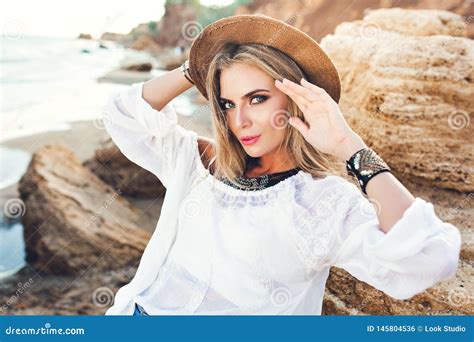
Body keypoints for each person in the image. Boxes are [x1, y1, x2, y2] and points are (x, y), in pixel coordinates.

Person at [102, 14, 461, 316]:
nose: (239, 120)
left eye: (256, 99)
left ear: (294, 101)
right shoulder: (199, 162)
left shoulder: (322, 202)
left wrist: (348, 145)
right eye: (227, 103)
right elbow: (123, 116)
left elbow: (428, 257)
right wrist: (195, 67)